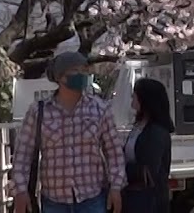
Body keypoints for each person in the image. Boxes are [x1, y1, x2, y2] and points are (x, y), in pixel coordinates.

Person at [12, 51, 125, 213]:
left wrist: (116, 186)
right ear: (60, 77)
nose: (82, 75)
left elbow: (114, 152)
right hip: (54, 202)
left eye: (84, 70)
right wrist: (20, 190)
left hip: (92, 199)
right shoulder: (39, 111)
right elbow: (23, 155)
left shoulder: (100, 109)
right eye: (76, 71)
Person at [123, 77, 174, 213]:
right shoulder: (139, 126)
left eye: (135, 96)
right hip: (133, 196)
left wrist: (121, 169)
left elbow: (149, 171)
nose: (132, 99)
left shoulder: (156, 132)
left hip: (148, 200)